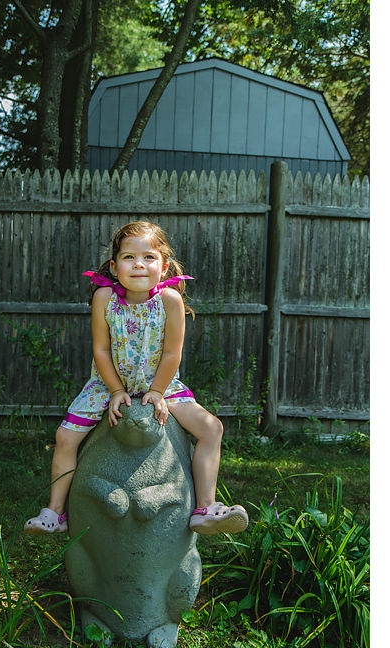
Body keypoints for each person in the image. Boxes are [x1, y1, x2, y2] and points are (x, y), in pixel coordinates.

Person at [24, 221, 247, 536]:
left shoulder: (170, 300)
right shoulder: (104, 297)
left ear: (164, 265)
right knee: (64, 438)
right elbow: (100, 350)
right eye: (129, 257)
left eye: (149, 257)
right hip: (107, 384)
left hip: (161, 383)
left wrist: (156, 391)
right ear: (114, 267)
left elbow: (172, 354)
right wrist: (115, 390)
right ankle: (55, 512)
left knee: (213, 428)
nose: (139, 264)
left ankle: (205, 507)